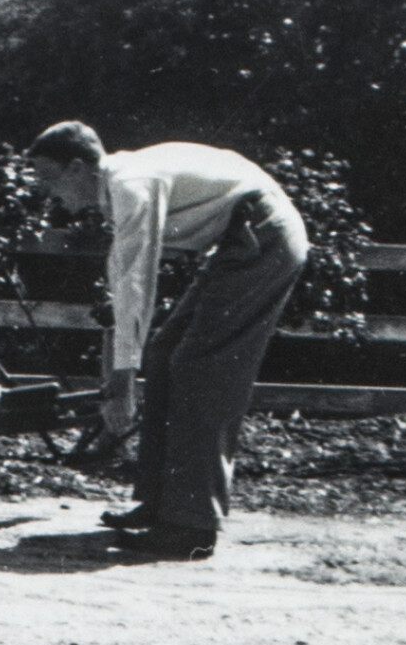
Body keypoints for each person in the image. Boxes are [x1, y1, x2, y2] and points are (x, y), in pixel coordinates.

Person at [27, 122, 307, 559]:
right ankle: (160, 504)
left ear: (79, 167)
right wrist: (128, 365)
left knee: (199, 367)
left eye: (49, 178)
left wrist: (122, 377)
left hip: (264, 237)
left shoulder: (131, 184)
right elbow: (124, 274)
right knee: (163, 355)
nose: (48, 193)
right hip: (242, 238)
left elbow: (137, 281)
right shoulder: (119, 185)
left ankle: (191, 524)